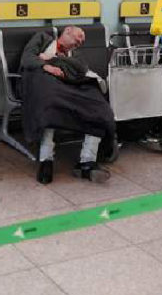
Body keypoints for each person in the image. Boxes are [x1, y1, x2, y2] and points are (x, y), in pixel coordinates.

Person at [21, 26, 115, 184]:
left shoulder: (76, 54)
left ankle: (87, 162)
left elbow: (81, 69)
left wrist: (55, 58)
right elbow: (27, 58)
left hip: (69, 85)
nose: (80, 42)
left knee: (98, 106)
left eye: (82, 41)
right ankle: (46, 160)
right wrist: (46, 65)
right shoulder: (42, 38)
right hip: (44, 81)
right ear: (68, 31)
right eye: (79, 37)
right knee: (50, 103)